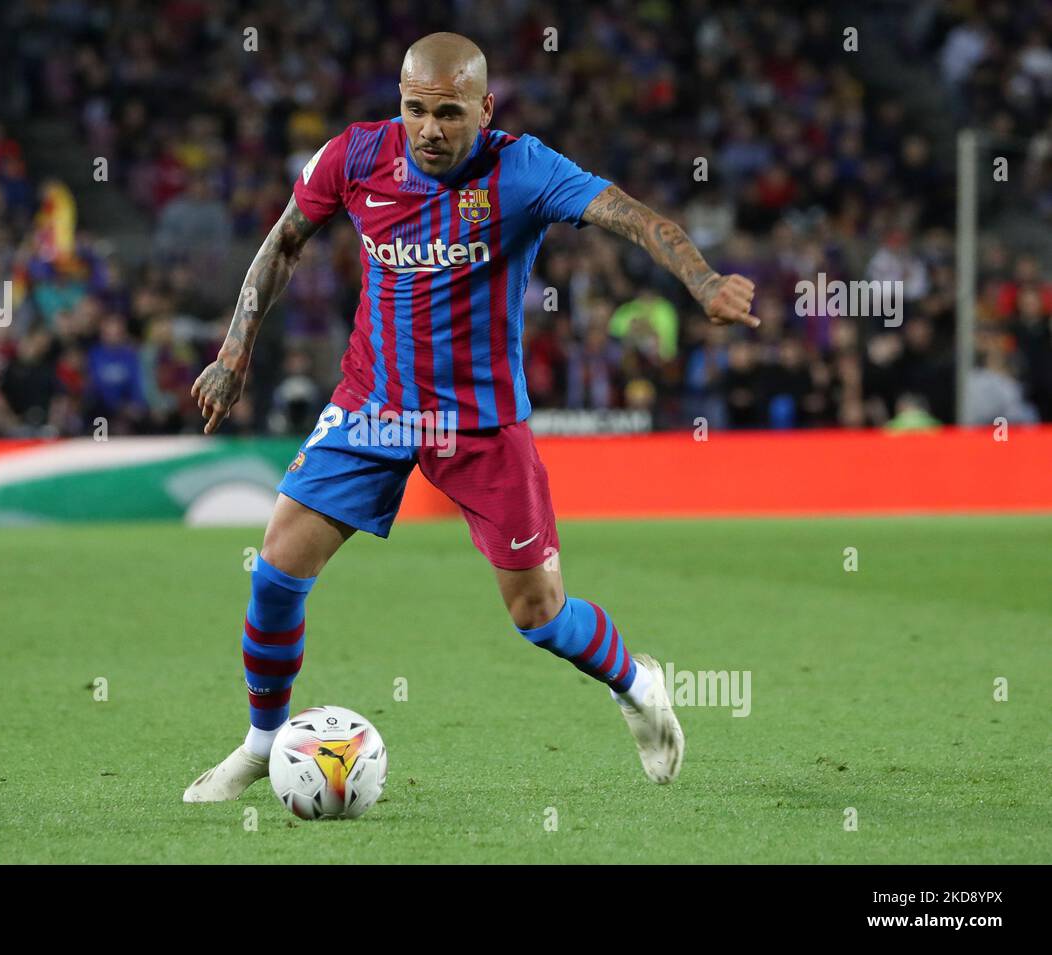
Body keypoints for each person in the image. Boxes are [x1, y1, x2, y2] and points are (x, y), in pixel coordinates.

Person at [184, 33, 759, 801]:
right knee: (278, 567)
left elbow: (628, 214)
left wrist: (702, 278)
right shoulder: (354, 157)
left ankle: (635, 679)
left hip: (480, 423)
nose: (429, 129)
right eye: (416, 109)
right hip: (375, 407)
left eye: (449, 113)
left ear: (484, 110)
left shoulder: (521, 169)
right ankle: (261, 743)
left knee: (539, 614)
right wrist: (233, 352)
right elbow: (284, 241)